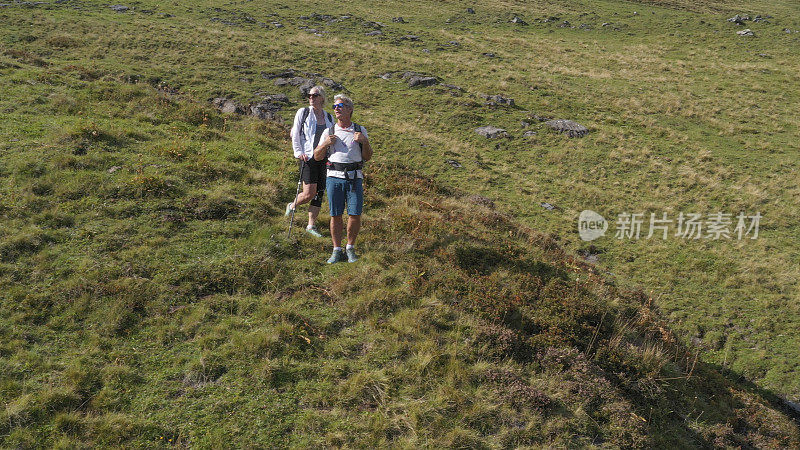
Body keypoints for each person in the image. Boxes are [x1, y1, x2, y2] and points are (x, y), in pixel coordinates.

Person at [314, 94, 372, 263]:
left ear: (350, 109)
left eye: (340, 106)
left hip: (355, 178)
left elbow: (367, 156)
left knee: (355, 214)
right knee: (336, 215)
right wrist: (325, 144)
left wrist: (365, 141)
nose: (337, 109)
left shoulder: (360, 130)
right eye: (335, 107)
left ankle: (350, 248)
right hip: (334, 177)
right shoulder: (329, 131)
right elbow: (317, 156)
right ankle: (336, 250)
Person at [286, 85, 335, 237]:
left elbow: (331, 138)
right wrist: (299, 152)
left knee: (319, 192)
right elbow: (295, 133)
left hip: (323, 158)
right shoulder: (304, 112)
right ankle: (292, 204)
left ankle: (311, 226)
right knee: (308, 193)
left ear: (322, 98)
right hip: (308, 156)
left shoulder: (328, 117)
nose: (311, 98)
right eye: (309, 95)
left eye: (314, 95)